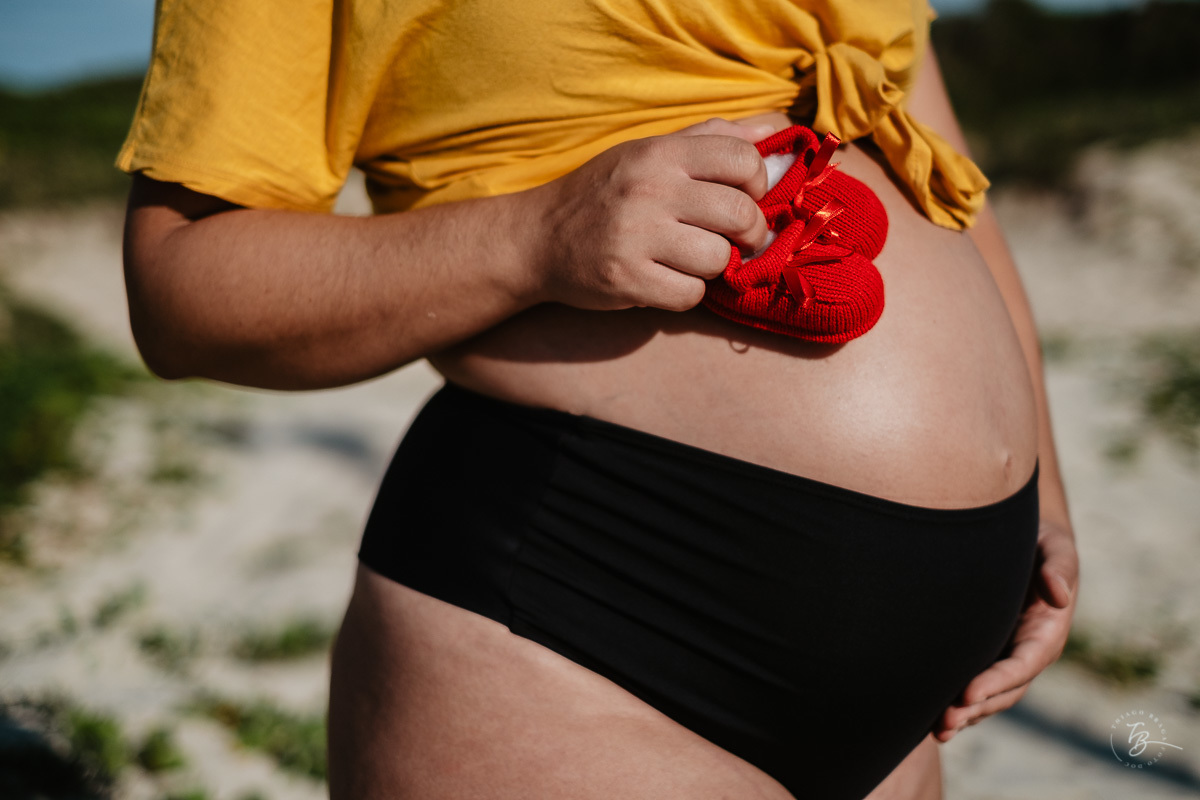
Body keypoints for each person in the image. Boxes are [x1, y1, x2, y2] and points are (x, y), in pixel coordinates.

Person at [118, 0, 1080, 797]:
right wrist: (535, 237)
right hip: (587, 617)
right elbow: (179, 290)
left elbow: (951, 185)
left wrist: (1044, 495)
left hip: (911, 713)